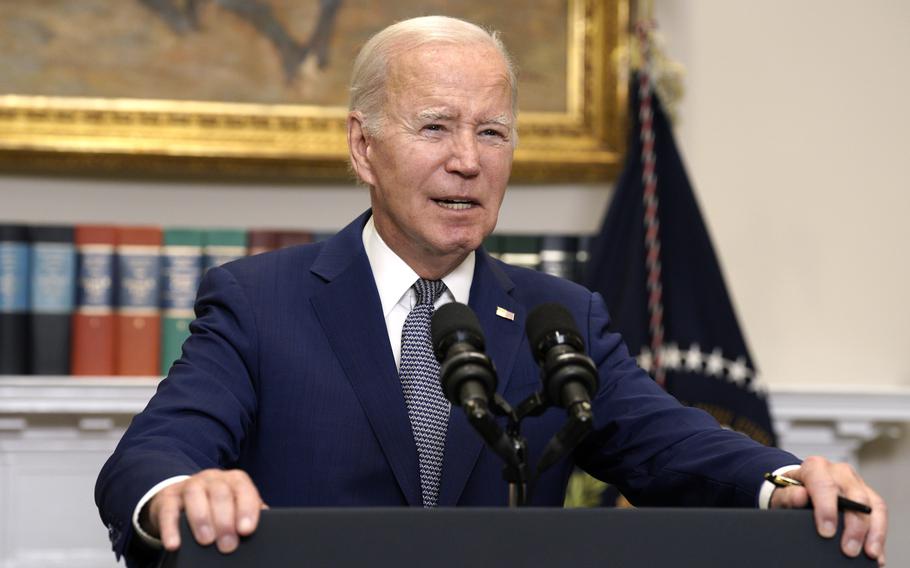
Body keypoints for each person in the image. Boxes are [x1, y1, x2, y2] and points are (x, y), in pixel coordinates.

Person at [95, 15, 888, 567]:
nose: (468, 160)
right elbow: (149, 458)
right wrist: (183, 491)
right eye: (436, 127)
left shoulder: (557, 318)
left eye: (493, 132)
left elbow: (671, 442)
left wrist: (785, 480)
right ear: (363, 147)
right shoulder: (260, 302)